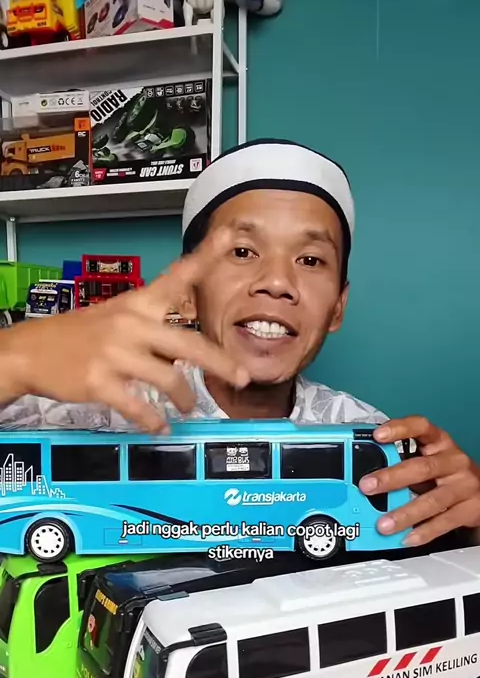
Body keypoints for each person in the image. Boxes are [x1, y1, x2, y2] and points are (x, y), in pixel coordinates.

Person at [0, 138, 479, 547]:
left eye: (311, 260)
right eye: (243, 251)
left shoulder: (370, 442)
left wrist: (471, 529)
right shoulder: (92, 408)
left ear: (337, 307)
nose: (277, 282)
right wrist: (14, 357)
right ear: (189, 294)